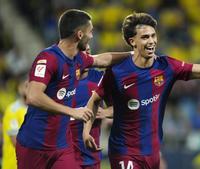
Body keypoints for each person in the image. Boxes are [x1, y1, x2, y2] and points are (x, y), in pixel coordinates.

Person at [83, 12, 200, 169]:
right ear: (132, 41)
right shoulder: (117, 72)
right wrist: (86, 132)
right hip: (124, 151)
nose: (151, 41)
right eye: (144, 37)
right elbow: (95, 100)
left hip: (154, 152)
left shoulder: (167, 66)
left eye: (153, 35)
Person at [16, 9, 130, 169]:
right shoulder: (48, 58)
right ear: (80, 35)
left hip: (62, 147)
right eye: (90, 32)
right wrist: (72, 111)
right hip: (34, 145)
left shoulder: (78, 59)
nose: (92, 36)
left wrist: (133, 54)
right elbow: (33, 96)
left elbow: (101, 59)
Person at [2, 80, 28, 169]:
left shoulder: (36, 110)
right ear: (20, 88)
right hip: (13, 165)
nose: (29, 89)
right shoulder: (12, 110)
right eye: (26, 86)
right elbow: (16, 142)